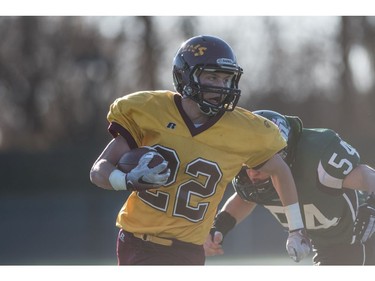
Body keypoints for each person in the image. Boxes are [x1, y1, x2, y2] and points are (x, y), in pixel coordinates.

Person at [89, 36, 309, 265]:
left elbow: (280, 171)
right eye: (212, 76)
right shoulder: (151, 111)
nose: (221, 86)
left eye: (226, 79)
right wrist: (126, 179)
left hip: (188, 251)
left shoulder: (245, 129)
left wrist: (296, 229)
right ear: (185, 76)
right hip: (137, 242)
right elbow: (98, 169)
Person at [205, 109, 375, 265]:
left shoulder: (315, 159)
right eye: (247, 163)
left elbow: (365, 175)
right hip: (329, 248)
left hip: (364, 235)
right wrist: (219, 227)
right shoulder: (251, 180)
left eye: (259, 162)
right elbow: (246, 198)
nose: (252, 173)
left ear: (284, 155)